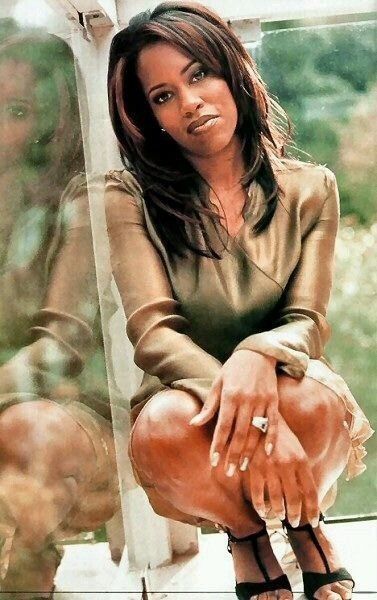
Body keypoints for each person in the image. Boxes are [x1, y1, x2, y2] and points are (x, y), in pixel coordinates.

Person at [106, 2, 374, 600]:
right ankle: (247, 534)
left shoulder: (312, 188)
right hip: (188, 395)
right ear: (149, 119)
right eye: (162, 95)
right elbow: (154, 334)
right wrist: (258, 417)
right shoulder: (127, 198)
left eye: (199, 73)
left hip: (287, 380)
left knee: (308, 397)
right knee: (165, 426)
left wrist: (259, 357)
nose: (190, 102)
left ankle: (306, 525)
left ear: (233, 71)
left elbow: (305, 320)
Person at [0, 28, 119, 597]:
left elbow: (59, 349)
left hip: (79, 421)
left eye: (17, 110)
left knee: (22, 436)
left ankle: (27, 575)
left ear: (55, 122)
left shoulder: (82, 200)